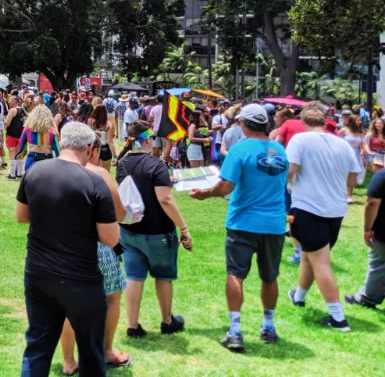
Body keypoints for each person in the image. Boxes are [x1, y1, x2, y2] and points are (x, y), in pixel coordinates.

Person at [17, 121, 119, 376]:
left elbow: (22, 215)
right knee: (91, 353)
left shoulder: (35, 172)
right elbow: (111, 238)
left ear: (61, 143)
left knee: (37, 347)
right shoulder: (94, 181)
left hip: (38, 274)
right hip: (81, 279)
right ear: (89, 148)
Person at [189, 104, 288, 351]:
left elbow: (225, 186)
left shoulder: (239, 150)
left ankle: (235, 330)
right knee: (270, 276)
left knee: (235, 274)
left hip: (243, 222)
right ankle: (268, 326)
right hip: (274, 223)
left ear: (243, 124)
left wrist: (204, 194)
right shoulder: (280, 150)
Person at [59, 123, 131, 373]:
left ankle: (68, 361)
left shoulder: (53, 170)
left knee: (69, 305)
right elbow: (120, 212)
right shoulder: (99, 174)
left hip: (63, 246)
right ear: (91, 149)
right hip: (97, 244)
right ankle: (107, 350)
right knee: (112, 296)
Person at [286, 102, 362, 331]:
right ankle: (298, 296)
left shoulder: (299, 140)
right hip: (336, 210)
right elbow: (353, 177)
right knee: (311, 254)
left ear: (304, 121)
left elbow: (290, 170)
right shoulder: (342, 144)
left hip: (308, 208)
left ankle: (338, 318)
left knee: (320, 262)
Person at [116, 119, 192, 339]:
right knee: (163, 276)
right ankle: (167, 321)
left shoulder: (122, 164)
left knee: (134, 276)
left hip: (129, 231)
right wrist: (184, 228)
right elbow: (165, 199)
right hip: (158, 232)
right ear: (147, 140)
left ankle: (132, 325)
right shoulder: (156, 165)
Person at [347, 164, 385, 308]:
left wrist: (367, 229)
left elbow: (371, 203)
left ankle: (367, 298)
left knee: (379, 264)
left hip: (382, 231)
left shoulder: (382, 176)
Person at [18, 104, 59, 173]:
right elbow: (57, 149)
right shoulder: (52, 131)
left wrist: (20, 154)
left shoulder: (27, 129)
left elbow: (21, 144)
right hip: (47, 159)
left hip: (32, 158)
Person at [339, 114, 367, 201]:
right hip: (344, 154)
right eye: (358, 120)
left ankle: (349, 196)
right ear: (352, 121)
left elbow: (364, 144)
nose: (360, 121)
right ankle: (340, 194)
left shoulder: (360, 132)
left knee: (353, 175)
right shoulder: (344, 130)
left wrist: (366, 152)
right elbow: (337, 140)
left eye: (360, 120)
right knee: (342, 174)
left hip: (356, 154)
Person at [88, 103, 116, 172]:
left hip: (93, 147)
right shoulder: (109, 124)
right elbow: (110, 141)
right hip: (104, 148)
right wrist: (115, 156)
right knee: (105, 172)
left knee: (93, 171)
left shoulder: (90, 121)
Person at [4, 94, 25, 180]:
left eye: (10, 100)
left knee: (12, 153)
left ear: (14, 101)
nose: (8, 102)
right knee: (19, 153)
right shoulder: (23, 110)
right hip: (21, 135)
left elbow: (7, 123)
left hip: (12, 134)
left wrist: (4, 122)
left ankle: (12, 174)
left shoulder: (12, 110)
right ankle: (19, 173)